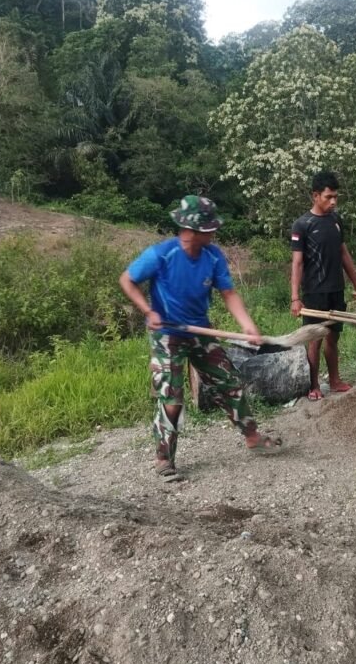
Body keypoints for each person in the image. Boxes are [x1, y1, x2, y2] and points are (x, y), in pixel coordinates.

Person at [119, 195, 281, 478]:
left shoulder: (213, 256)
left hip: (199, 330)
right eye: (209, 228)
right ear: (192, 230)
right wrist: (148, 311)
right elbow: (127, 280)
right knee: (172, 396)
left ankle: (252, 437)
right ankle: (164, 460)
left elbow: (228, 293)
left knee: (229, 381)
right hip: (167, 334)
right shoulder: (162, 254)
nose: (215, 232)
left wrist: (247, 325)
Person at [290, 171, 356, 400]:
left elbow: (343, 253)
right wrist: (295, 297)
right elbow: (298, 263)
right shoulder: (302, 225)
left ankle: (334, 380)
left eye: (336, 197)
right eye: (328, 197)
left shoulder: (336, 220)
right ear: (315, 195)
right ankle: (313, 386)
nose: (333, 202)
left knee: (333, 337)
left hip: (336, 289)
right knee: (315, 338)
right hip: (315, 292)